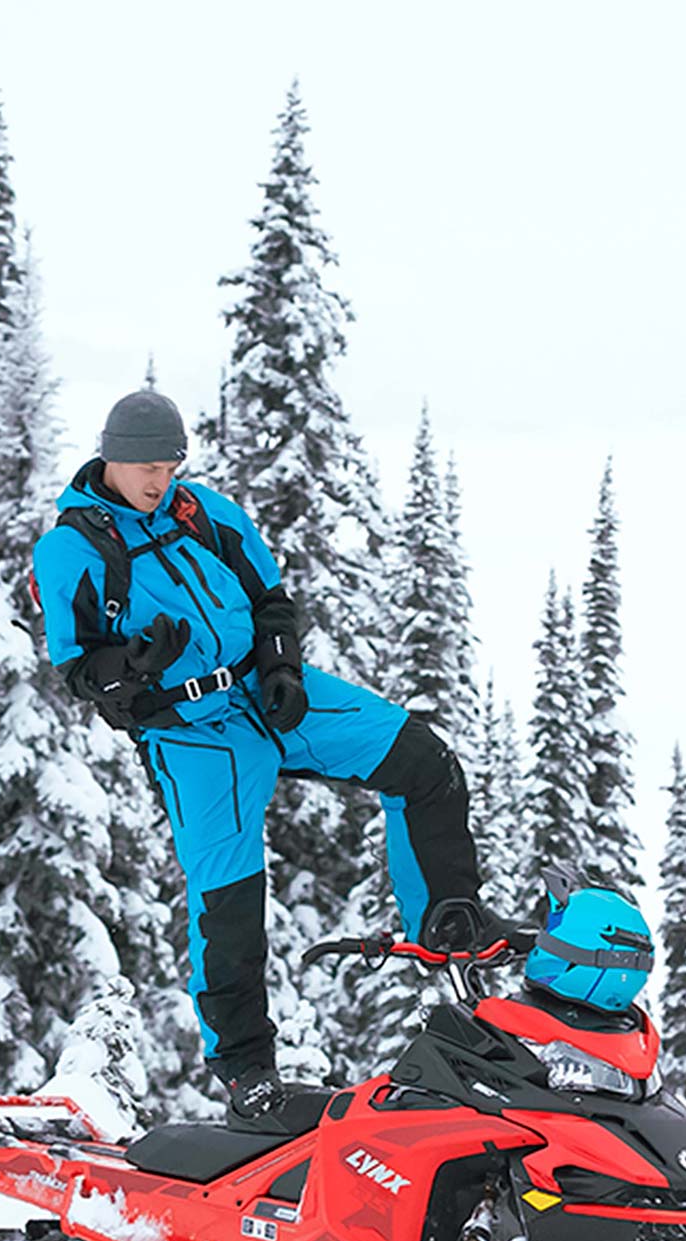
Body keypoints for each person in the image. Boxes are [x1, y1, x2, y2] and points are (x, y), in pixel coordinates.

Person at [34, 388, 485, 1126]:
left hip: (268, 692)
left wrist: (279, 665)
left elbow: (270, 599)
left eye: (169, 463)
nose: (157, 478)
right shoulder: (72, 550)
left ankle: (446, 918)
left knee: (422, 758)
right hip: (192, 730)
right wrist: (138, 665)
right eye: (144, 465)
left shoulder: (203, 511)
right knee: (230, 898)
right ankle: (248, 1069)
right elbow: (81, 670)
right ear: (110, 458)